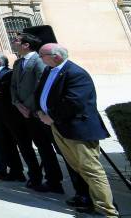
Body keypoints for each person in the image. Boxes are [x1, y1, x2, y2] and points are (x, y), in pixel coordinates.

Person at [35, 44, 118, 217]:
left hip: (77, 128)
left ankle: (106, 210)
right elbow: (42, 94)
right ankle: (91, 200)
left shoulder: (75, 73)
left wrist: (51, 116)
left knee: (90, 169)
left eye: (42, 55)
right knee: (77, 167)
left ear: (56, 56)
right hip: (59, 127)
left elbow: (75, 102)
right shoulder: (50, 70)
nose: (39, 58)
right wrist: (40, 111)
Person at [11, 33, 63, 193]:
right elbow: (13, 86)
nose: (13, 42)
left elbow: (41, 86)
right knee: (39, 146)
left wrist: (29, 107)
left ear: (26, 45)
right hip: (23, 112)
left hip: (37, 112)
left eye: (17, 40)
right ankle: (38, 177)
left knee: (47, 148)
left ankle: (54, 180)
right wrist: (18, 104)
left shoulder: (39, 61)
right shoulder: (18, 62)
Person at [0, 51, 27, 181]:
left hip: (12, 115)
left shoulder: (9, 73)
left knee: (21, 144)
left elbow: (3, 88)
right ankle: (14, 170)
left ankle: (26, 172)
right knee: (5, 144)